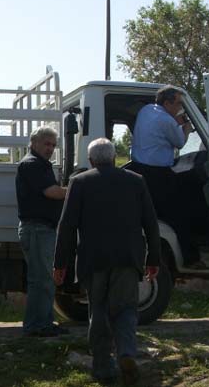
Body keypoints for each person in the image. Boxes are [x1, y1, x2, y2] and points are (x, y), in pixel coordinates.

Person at [54, 138, 160, 385]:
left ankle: (103, 367)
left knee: (98, 310)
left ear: (91, 160)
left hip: (94, 259)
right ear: (114, 158)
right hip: (127, 258)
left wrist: (60, 264)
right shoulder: (136, 181)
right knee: (126, 309)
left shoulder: (80, 182)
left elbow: (66, 226)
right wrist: (153, 258)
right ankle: (126, 352)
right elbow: (151, 223)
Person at [130, 86, 201, 268]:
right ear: (168, 103)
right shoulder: (166, 121)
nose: (180, 108)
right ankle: (191, 258)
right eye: (178, 104)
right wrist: (186, 128)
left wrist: (175, 122)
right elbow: (180, 142)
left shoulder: (146, 110)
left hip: (139, 170)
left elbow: (159, 128)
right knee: (181, 213)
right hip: (158, 175)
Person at [16, 126, 67, 337]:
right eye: (47, 144)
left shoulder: (39, 164)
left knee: (43, 279)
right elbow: (52, 192)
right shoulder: (32, 164)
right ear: (34, 142)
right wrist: (78, 188)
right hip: (37, 229)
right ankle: (37, 326)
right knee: (41, 280)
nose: (50, 149)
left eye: (53, 145)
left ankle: (44, 323)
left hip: (40, 229)